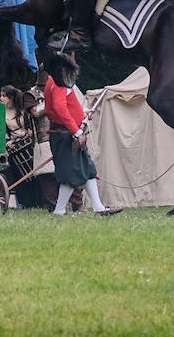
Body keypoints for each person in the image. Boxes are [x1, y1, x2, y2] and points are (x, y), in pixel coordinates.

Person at [42, 51, 120, 216]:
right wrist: (77, 132)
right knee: (71, 175)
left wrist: (83, 112)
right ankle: (59, 210)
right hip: (65, 135)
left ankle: (98, 208)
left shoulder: (54, 81)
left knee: (88, 170)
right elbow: (59, 108)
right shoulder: (58, 83)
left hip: (66, 133)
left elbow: (66, 108)